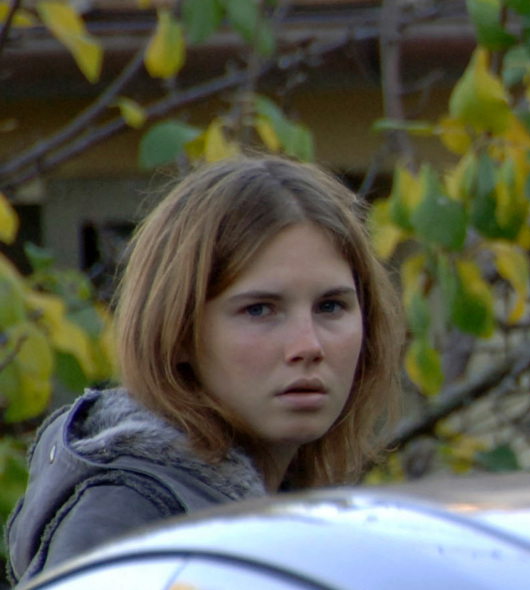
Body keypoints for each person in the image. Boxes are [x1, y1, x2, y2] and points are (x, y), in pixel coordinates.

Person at [5, 156, 405, 584]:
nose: (308, 346)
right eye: (259, 309)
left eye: (331, 306)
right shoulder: (129, 520)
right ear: (177, 332)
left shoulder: (296, 510)